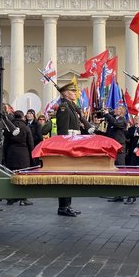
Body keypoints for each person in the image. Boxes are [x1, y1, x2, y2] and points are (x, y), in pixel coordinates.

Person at [55, 81, 94, 216]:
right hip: (67, 146)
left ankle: (68, 205)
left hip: (73, 144)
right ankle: (62, 207)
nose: (75, 93)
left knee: (70, 176)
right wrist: (65, 148)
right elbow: (63, 131)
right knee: (65, 177)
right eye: (72, 91)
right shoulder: (63, 107)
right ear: (66, 93)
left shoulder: (71, 106)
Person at [3, 110, 34, 206]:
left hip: (11, 154)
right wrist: (32, 156)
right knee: (23, 177)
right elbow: (30, 143)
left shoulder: (9, 127)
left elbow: (6, 143)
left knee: (11, 177)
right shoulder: (26, 128)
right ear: (22, 117)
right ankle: (23, 199)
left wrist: (6, 155)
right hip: (23, 155)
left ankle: (10, 198)